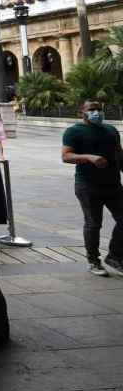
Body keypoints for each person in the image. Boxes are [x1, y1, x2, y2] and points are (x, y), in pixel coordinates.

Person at [63, 101, 123, 277]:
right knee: (93, 224)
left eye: (99, 109)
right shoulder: (74, 131)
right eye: (92, 110)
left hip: (113, 185)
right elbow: (66, 156)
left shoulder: (111, 130)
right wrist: (89, 157)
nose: (96, 112)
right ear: (82, 112)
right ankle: (93, 260)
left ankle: (115, 256)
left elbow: (119, 154)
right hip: (88, 185)